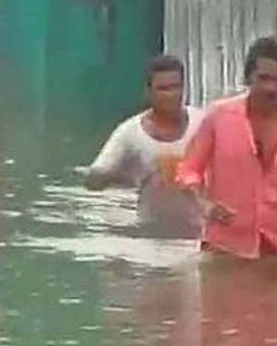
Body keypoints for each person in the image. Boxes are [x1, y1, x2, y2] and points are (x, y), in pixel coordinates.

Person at [176, 36, 277, 259]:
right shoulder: (218, 117)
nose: (271, 88)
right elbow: (189, 170)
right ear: (248, 77)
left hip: (273, 251)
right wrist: (204, 205)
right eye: (263, 78)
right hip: (221, 249)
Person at [85, 55, 204, 238]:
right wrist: (124, 175)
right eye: (163, 89)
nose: (172, 95)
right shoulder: (130, 133)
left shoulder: (203, 124)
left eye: (176, 87)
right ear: (148, 92)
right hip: (150, 232)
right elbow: (93, 181)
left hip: (199, 231)